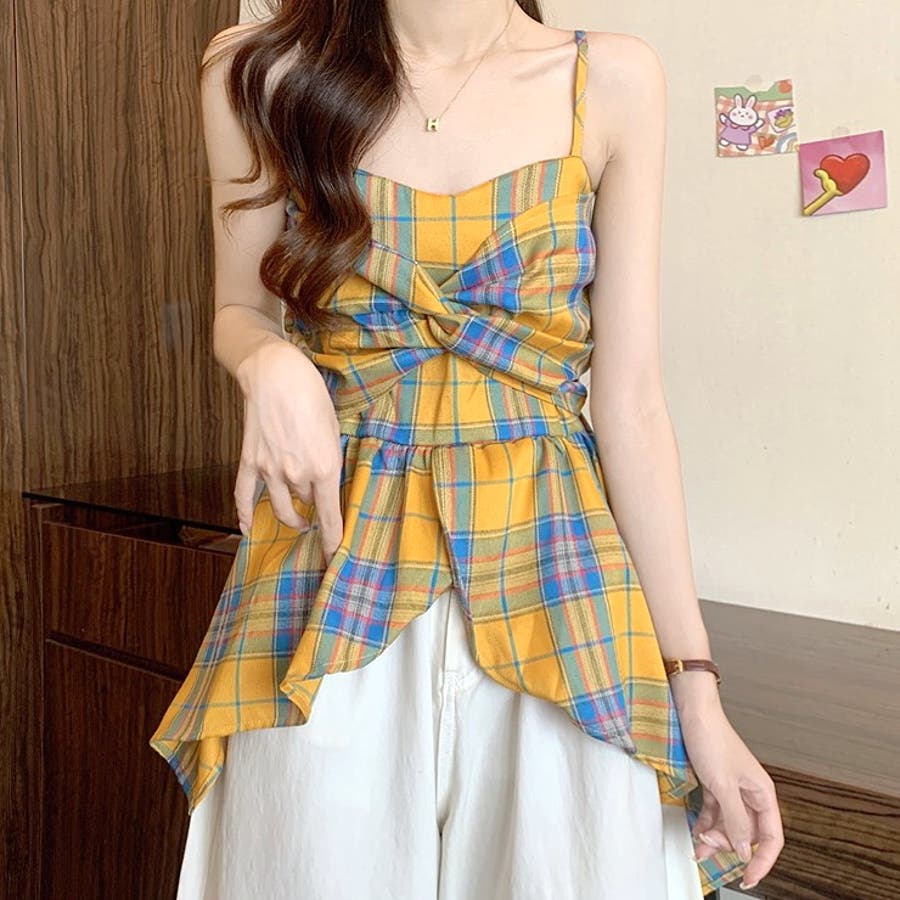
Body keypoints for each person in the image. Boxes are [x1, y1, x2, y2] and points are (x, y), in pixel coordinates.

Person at [150, 2, 785, 897]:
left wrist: (698, 690)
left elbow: (633, 405)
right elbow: (236, 308)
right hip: (333, 564)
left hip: (558, 571)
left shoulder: (612, 80)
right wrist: (267, 360)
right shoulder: (259, 71)